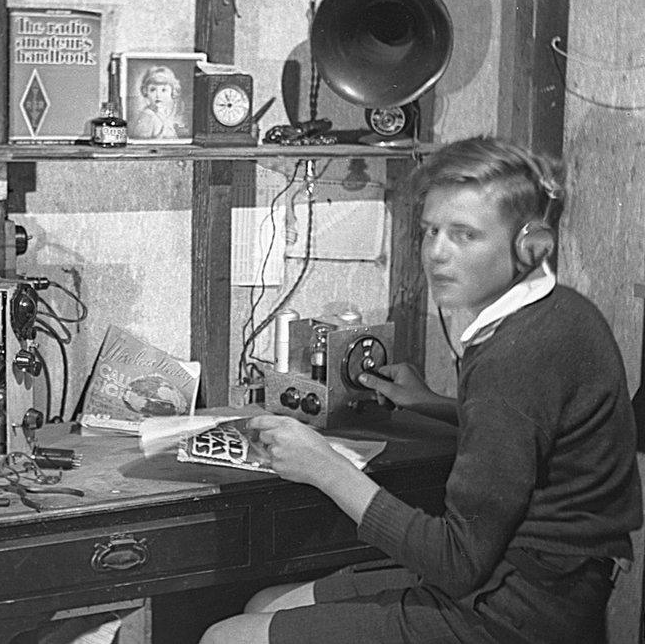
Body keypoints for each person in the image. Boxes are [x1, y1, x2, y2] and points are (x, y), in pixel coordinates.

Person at [200, 136, 642, 644]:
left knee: (225, 638)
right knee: (266, 603)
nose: (436, 253)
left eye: (464, 235)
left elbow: (455, 562)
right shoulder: (560, 312)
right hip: (534, 577)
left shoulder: (515, 354)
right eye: (430, 230)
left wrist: (325, 468)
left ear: (530, 245)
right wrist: (432, 403)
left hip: (520, 610)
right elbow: (532, 433)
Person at [129, 65, 185, 139]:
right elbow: (141, 143)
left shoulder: (164, 114)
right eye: (153, 90)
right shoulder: (148, 116)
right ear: (145, 91)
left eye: (163, 90)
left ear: (172, 92)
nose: (158, 95)